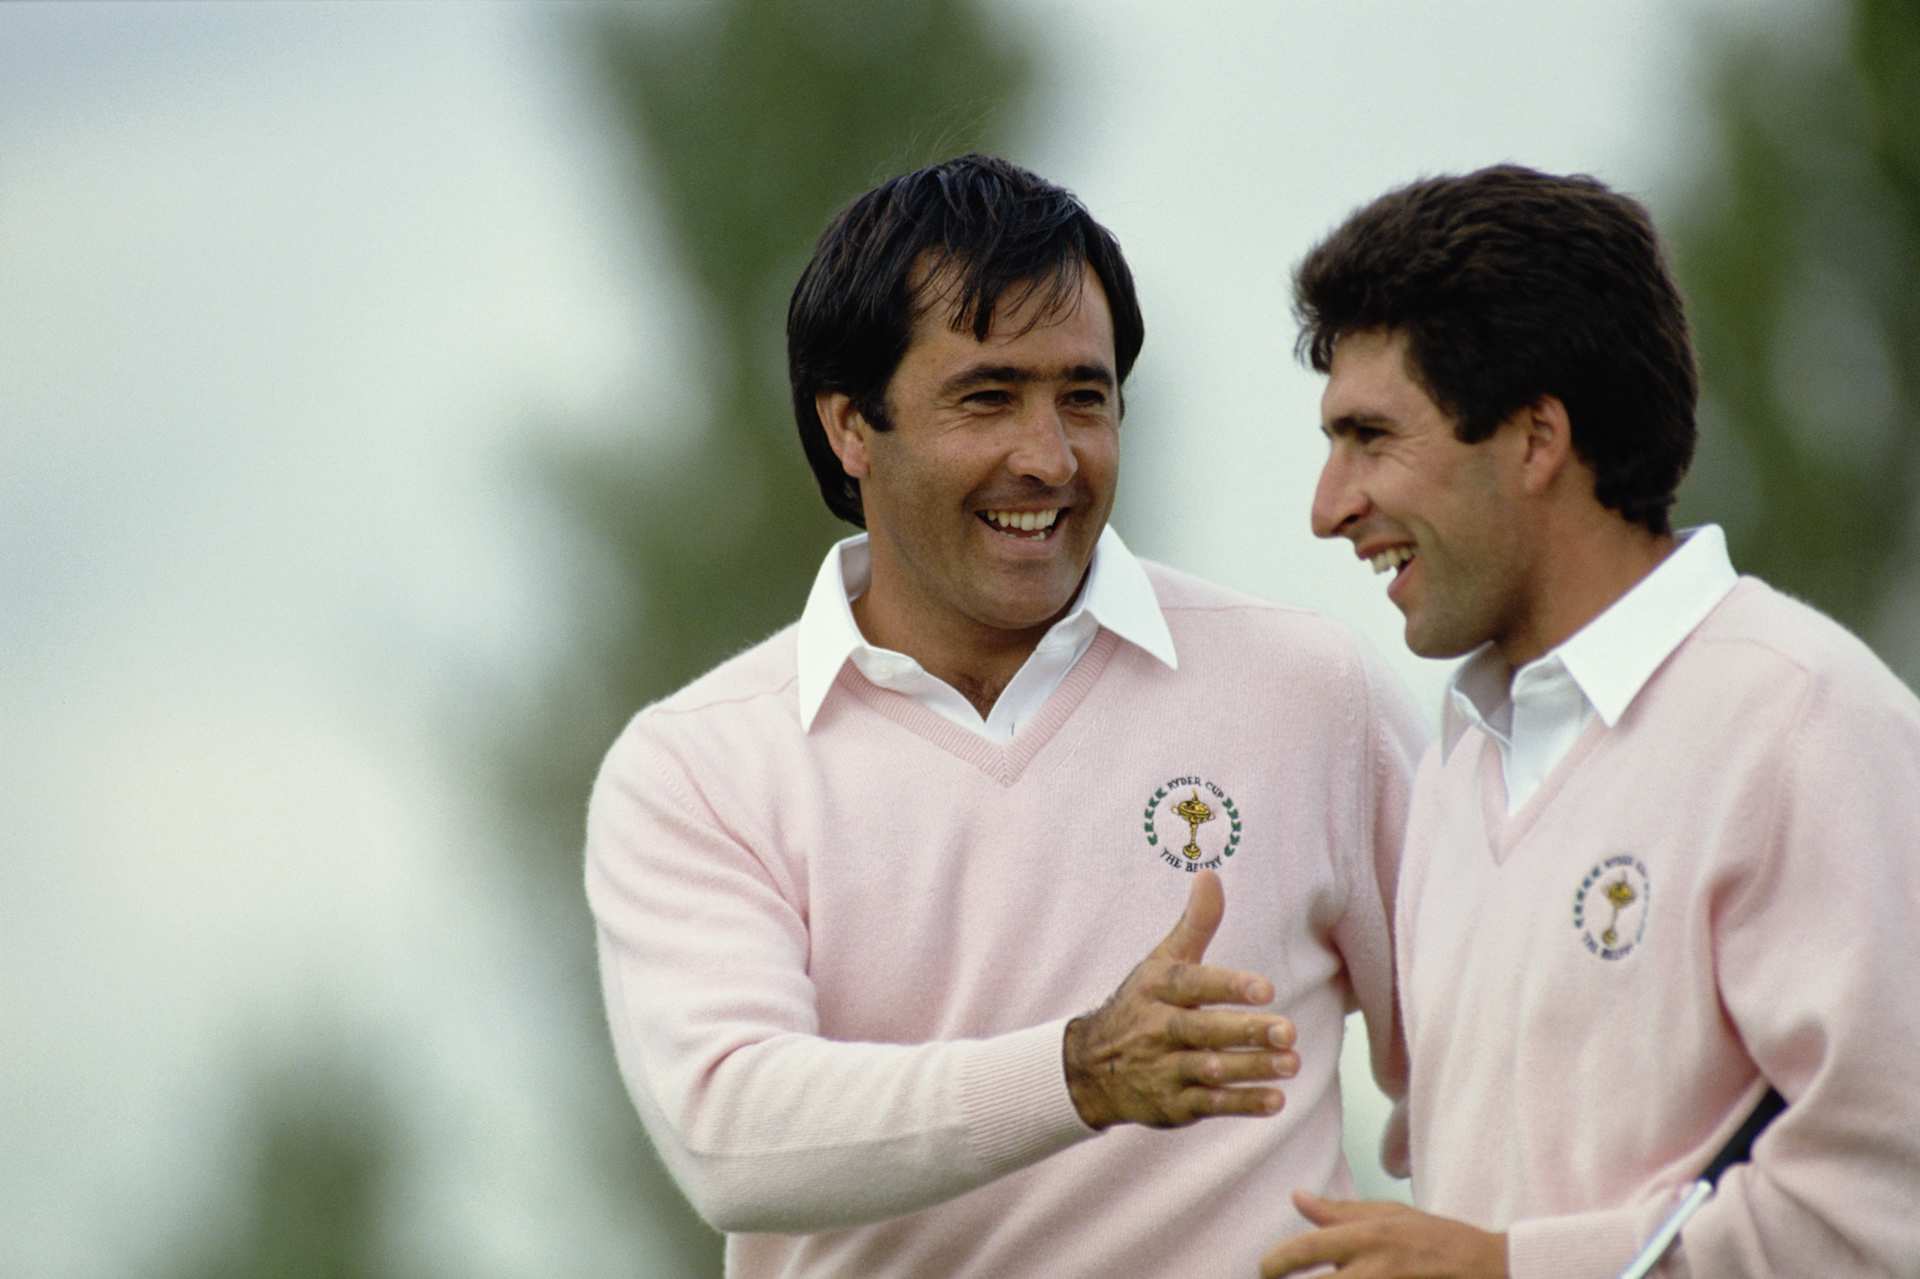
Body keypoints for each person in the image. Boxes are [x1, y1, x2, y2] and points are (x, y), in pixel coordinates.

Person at [584, 153, 1426, 1277]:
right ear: (849, 427)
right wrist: (1080, 1074)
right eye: (988, 397)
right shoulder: (702, 764)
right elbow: (731, 1131)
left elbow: (1486, 1056)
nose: (1049, 458)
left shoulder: (1310, 690)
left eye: (1084, 396)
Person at [1261, 164, 1920, 1279]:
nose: (1328, 506)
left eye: (1371, 437)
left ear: (1534, 439)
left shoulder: (1806, 722)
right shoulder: (1463, 765)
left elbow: (1885, 1204)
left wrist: (1512, 1266)